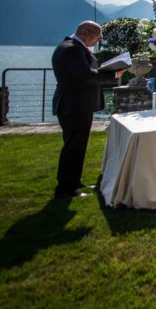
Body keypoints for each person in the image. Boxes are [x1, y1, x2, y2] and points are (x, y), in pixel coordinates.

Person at [51, 21, 119, 199]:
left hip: (77, 104)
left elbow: (86, 71)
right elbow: (85, 75)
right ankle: (65, 188)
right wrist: (112, 75)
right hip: (73, 105)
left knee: (78, 145)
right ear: (85, 32)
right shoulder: (71, 49)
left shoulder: (73, 47)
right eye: (98, 35)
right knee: (73, 146)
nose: (100, 39)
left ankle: (73, 181)